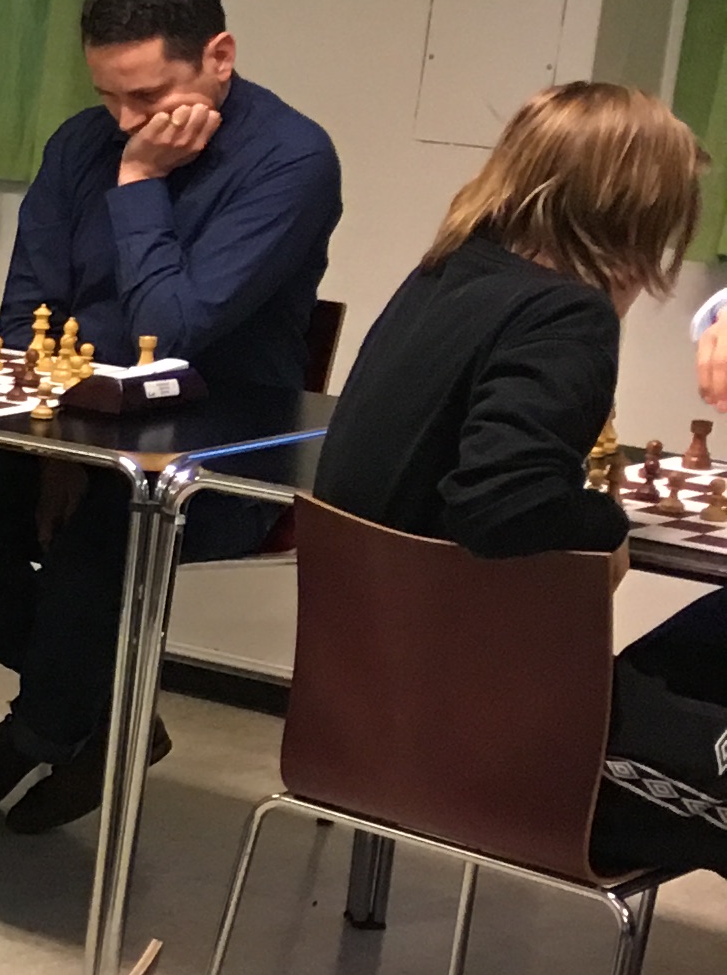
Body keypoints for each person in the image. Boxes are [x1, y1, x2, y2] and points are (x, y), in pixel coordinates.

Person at [0, 0, 342, 831]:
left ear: (219, 57)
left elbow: (173, 327)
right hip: (75, 428)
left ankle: (33, 736)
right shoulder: (80, 143)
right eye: (108, 96)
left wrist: (139, 181)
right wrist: (51, 447)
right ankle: (108, 717)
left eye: (146, 96)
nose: (125, 120)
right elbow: (28, 315)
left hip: (214, 453)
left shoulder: (291, 161)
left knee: (97, 552)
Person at [311, 81, 727, 872]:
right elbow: (503, 505)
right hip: (496, 739)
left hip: (371, 700)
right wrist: (607, 527)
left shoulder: (447, 276)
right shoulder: (564, 314)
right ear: (637, 214)